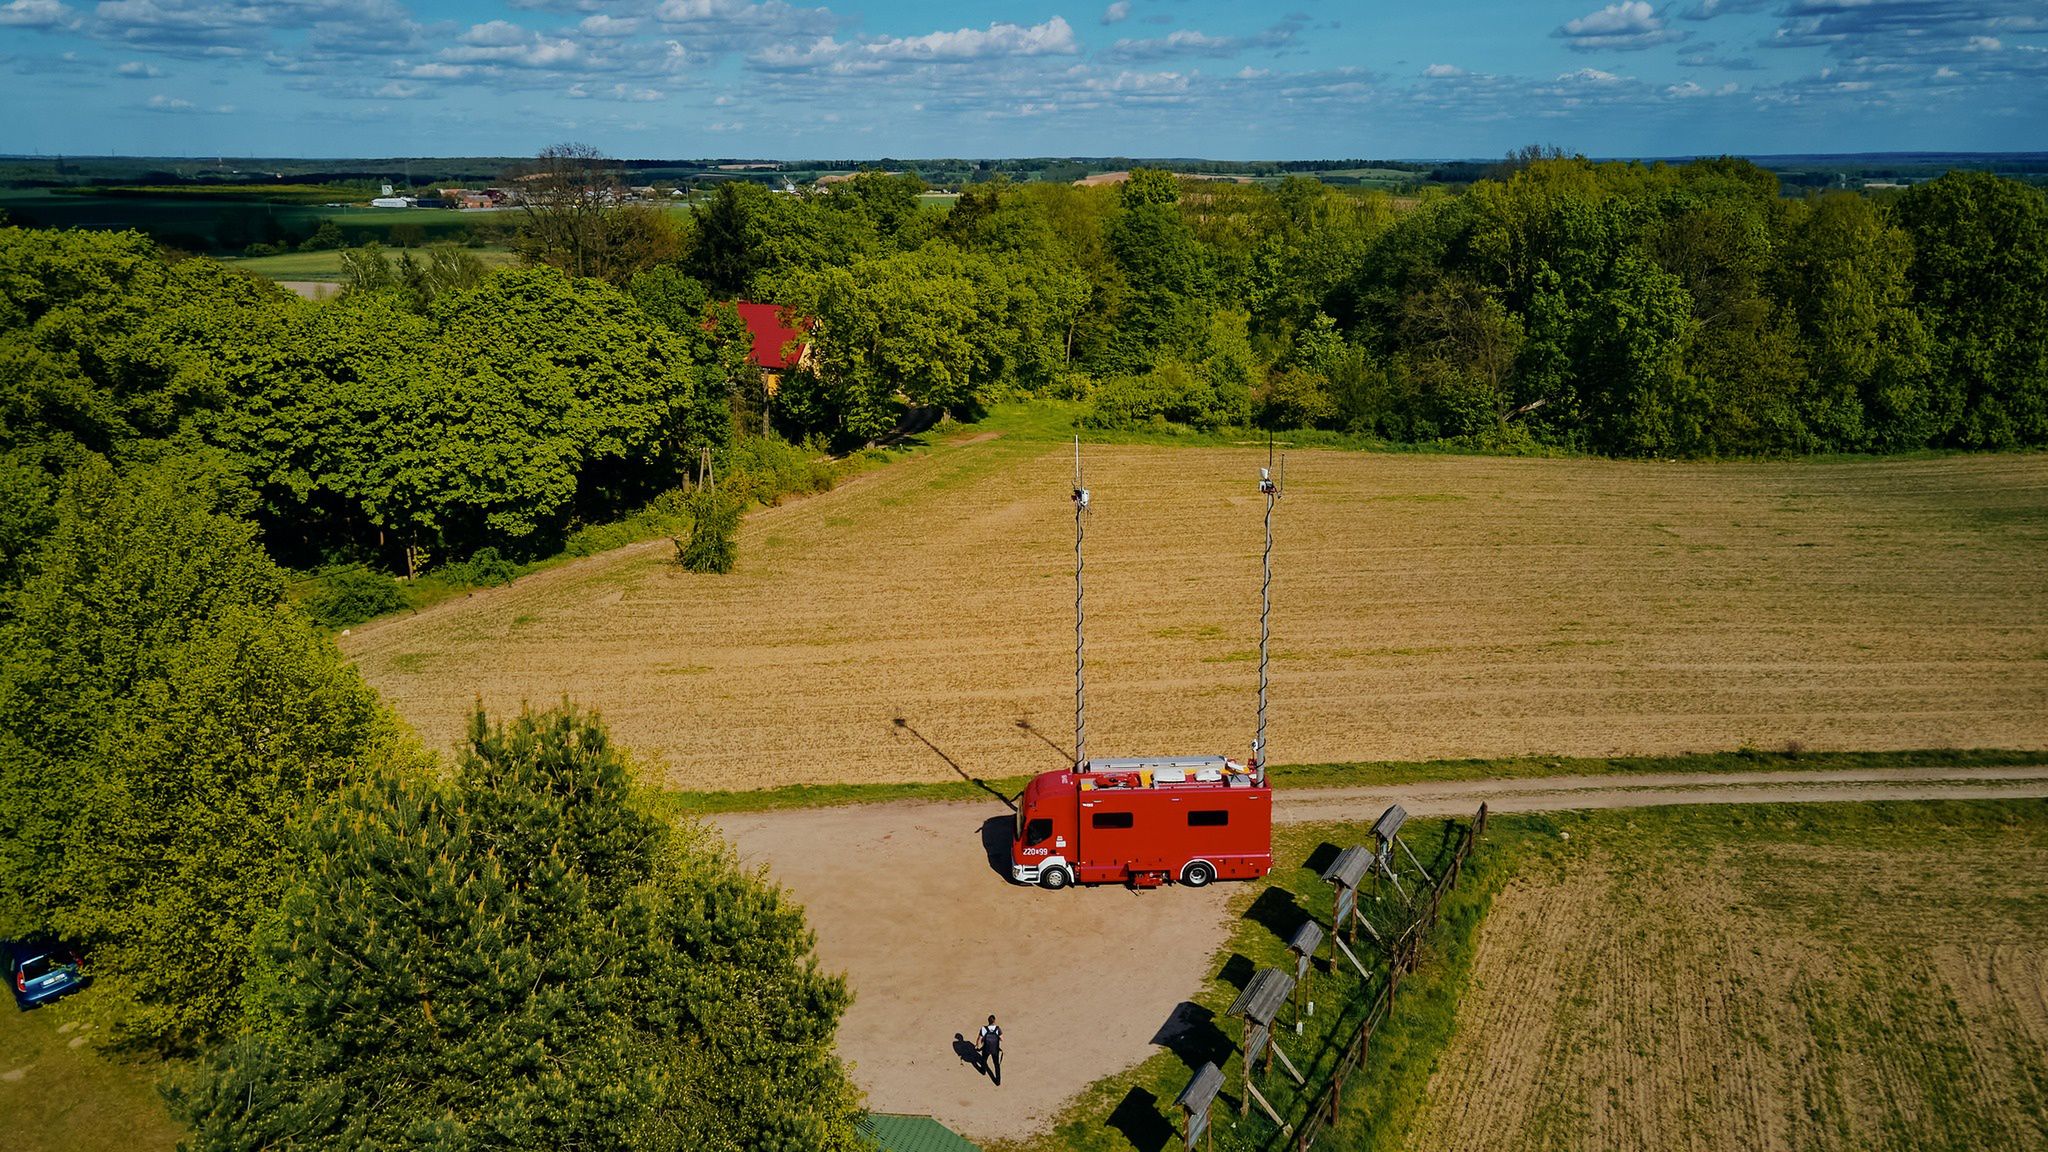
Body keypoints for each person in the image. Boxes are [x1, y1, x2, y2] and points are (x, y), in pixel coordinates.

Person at [978, 1014, 1003, 1085]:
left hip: (986, 1049)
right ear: (994, 1021)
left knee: (984, 1060)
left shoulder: (983, 1028)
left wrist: (977, 1046)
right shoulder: (998, 1028)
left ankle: (983, 1071)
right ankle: (998, 1081)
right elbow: (1002, 1039)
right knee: (996, 1064)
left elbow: (979, 1039)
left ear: (988, 1021)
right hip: (995, 1049)